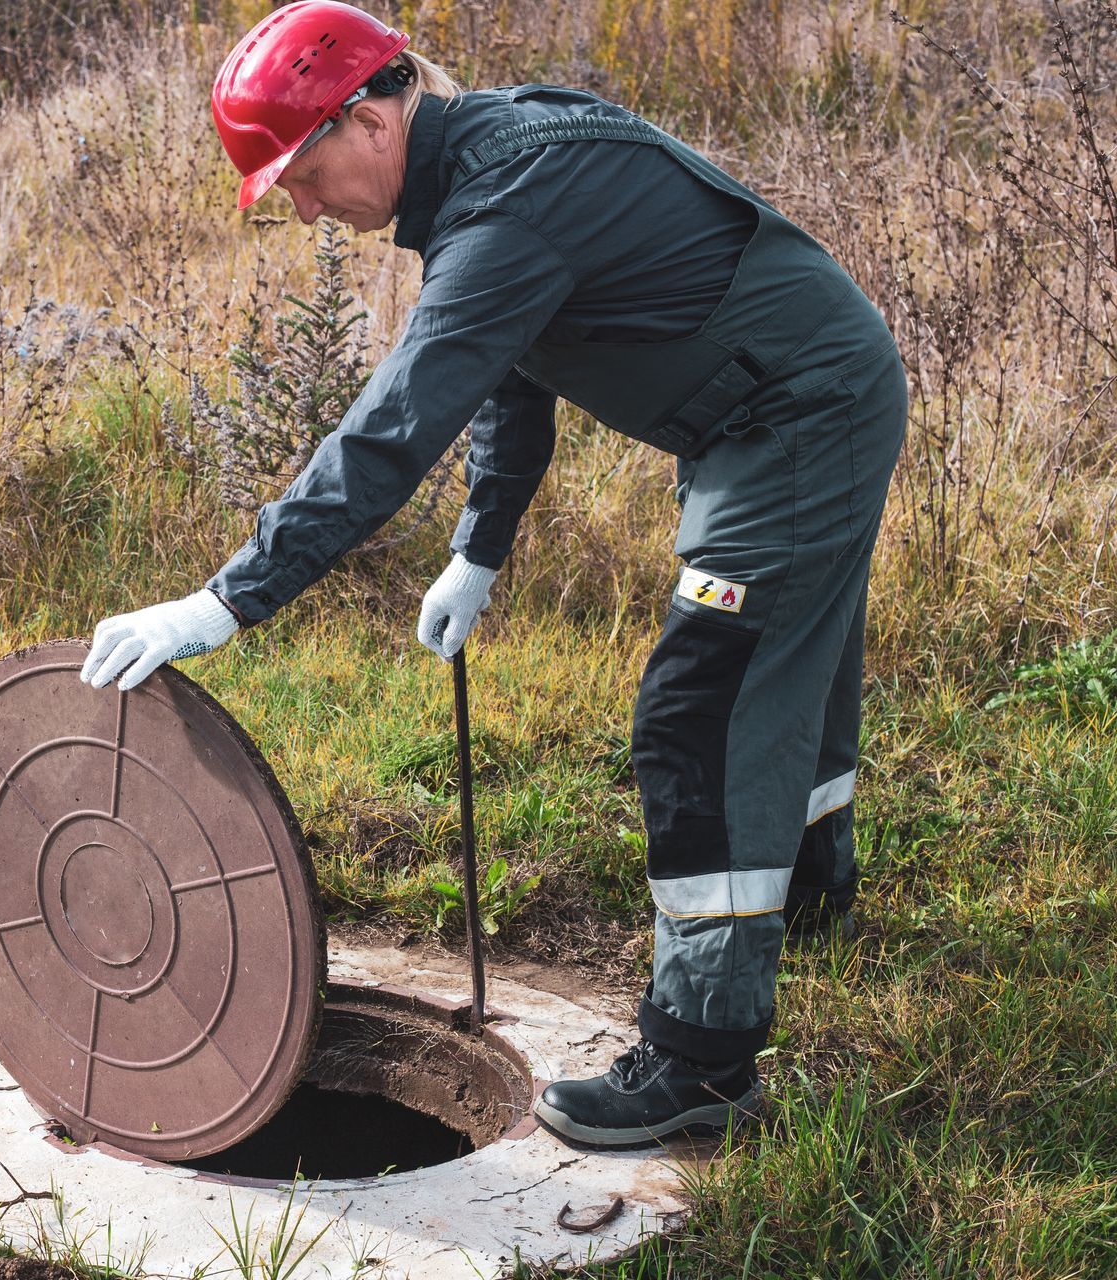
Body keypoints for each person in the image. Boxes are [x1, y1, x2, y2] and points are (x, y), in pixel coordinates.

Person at [78, 0, 905, 1147]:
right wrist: (481, 545)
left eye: (304, 176)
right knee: (788, 655)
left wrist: (228, 598)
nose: (307, 211)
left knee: (705, 702)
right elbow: (517, 363)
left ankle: (702, 1055)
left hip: (796, 420)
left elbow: (395, 425)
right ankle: (807, 891)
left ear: (369, 117)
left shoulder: (507, 200)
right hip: (773, 407)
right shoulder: (490, 167)